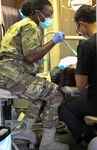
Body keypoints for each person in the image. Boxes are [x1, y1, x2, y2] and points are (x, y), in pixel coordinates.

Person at [0, 0, 69, 150]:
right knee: (56, 93)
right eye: (46, 15)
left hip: (6, 75)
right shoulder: (31, 26)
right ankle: (47, 142)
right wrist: (53, 41)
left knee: (42, 92)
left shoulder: (17, 25)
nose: (48, 19)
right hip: (12, 76)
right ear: (36, 13)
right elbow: (30, 57)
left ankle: (26, 129)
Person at [58, 4, 97, 144]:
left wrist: (80, 67)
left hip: (95, 102)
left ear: (82, 24)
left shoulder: (87, 45)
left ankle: (90, 139)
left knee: (65, 108)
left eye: (78, 28)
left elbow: (80, 86)